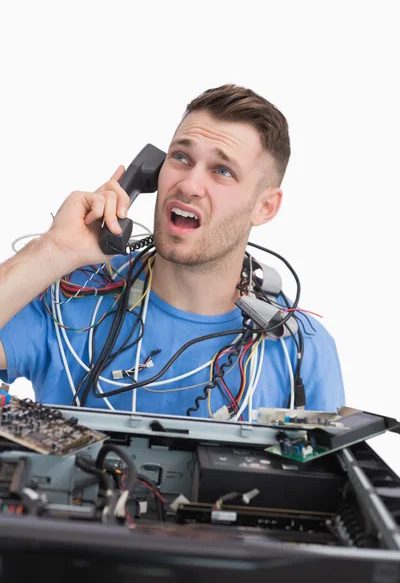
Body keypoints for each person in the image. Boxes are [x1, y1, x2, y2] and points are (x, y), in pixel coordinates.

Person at [0, 84, 345, 419]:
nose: (189, 185)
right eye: (181, 157)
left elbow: (325, 471)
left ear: (265, 206)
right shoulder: (72, 297)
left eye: (222, 170)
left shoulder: (300, 347)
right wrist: (54, 249)